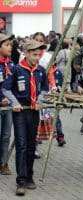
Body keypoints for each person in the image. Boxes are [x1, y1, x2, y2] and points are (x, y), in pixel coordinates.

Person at [2, 40, 48, 196]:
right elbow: (6, 89)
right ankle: (20, 181)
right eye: (34, 54)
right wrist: (14, 103)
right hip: (20, 111)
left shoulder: (41, 70)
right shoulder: (16, 70)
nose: (37, 58)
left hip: (34, 111)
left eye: (39, 55)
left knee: (31, 144)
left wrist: (40, 101)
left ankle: (29, 176)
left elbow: (45, 90)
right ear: (27, 53)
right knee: (21, 144)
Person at [0, 33, 13, 175]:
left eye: (11, 44)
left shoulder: (11, 64)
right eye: (7, 44)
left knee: (6, 135)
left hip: (8, 105)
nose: (10, 47)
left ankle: (3, 163)